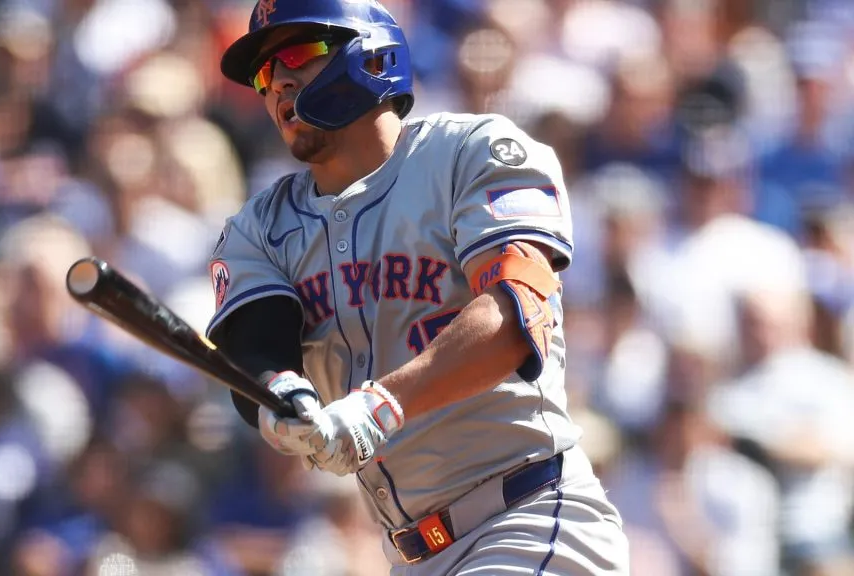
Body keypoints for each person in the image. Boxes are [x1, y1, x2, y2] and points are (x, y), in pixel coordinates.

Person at [206, 1, 630, 573]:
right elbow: (257, 347)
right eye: (264, 72)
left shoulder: (471, 152)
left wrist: (378, 407)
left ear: (371, 52)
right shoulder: (260, 228)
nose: (278, 80)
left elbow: (516, 315)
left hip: (526, 515)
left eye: (299, 52)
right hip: (409, 553)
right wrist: (281, 399)